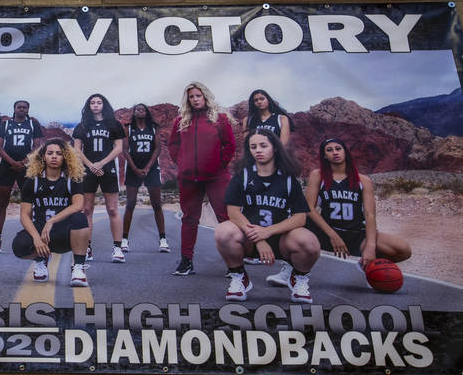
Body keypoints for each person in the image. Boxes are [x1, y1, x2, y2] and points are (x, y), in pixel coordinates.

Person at [267, 137, 411, 285]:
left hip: (355, 234)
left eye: (338, 148)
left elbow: (370, 215)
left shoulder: (363, 180)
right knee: (295, 224)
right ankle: (291, 271)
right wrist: (333, 235)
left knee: (402, 249)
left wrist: (370, 247)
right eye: (329, 150)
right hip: (326, 233)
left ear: (345, 152)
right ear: (324, 155)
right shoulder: (318, 175)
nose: (334, 152)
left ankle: (369, 266)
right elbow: (309, 207)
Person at [214, 130, 321, 303]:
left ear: (275, 149)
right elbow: (233, 212)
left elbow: (300, 218)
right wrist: (259, 239)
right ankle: (239, 277)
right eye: (253, 147)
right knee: (223, 231)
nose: (258, 150)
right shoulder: (243, 176)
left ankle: (299, 278)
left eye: (263, 145)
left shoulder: (288, 179)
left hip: (281, 239)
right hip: (250, 239)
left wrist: (268, 231)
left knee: (310, 242)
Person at [166, 81, 236, 276]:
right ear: (187, 100)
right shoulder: (181, 121)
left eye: (198, 95)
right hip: (189, 179)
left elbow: (229, 145)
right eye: (191, 97)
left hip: (216, 177)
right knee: (189, 219)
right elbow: (173, 145)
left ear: (205, 96)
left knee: (225, 218)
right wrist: (183, 163)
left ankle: (234, 264)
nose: (195, 99)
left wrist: (218, 164)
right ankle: (186, 262)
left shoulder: (219, 119)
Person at [11, 139, 90, 287]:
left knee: (80, 218)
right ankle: (40, 259)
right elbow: (24, 215)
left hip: (64, 234)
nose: (54, 156)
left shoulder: (72, 179)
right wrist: (36, 238)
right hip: (42, 234)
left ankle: (78, 267)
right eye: (50, 153)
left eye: (59, 153)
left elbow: (79, 205)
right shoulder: (32, 181)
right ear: (43, 157)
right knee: (19, 245)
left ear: (65, 157)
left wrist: (52, 221)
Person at [72, 93, 126, 264]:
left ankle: (117, 248)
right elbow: (77, 149)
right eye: (92, 102)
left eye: (99, 102)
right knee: (87, 209)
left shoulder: (114, 124)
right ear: (88, 106)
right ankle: (87, 247)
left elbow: (119, 148)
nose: (95, 105)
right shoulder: (82, 125)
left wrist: (101, 163)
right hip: (88, 170)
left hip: (108, 168)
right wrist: (91, 165)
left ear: (104, 105)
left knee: (112, 209)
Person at [0, 100, 44, 255]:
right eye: (19, 107)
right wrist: (12, 162)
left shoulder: (33, 125)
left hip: (27, 167)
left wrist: (25, 162)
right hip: (7, 166)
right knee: (2, 202)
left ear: (28, 109)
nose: (21, 109)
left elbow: (37, 147)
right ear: (14, 109)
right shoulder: (5, 125)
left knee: (29, 203)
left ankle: (33, 238)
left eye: (24, 107)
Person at [121, 103, 169, 254]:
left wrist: (148, 167)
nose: (140, 111)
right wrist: (134, 168)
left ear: (146, 112)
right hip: (133, 167)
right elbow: (125, 149)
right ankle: (124, 240)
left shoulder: (153, 127)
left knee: (156, 204)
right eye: (137, 109)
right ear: (134, 112)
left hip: (152, 167)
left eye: (142, 109)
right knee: (130, 204)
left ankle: (163, 240)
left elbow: (158, 148)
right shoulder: (128, 127)